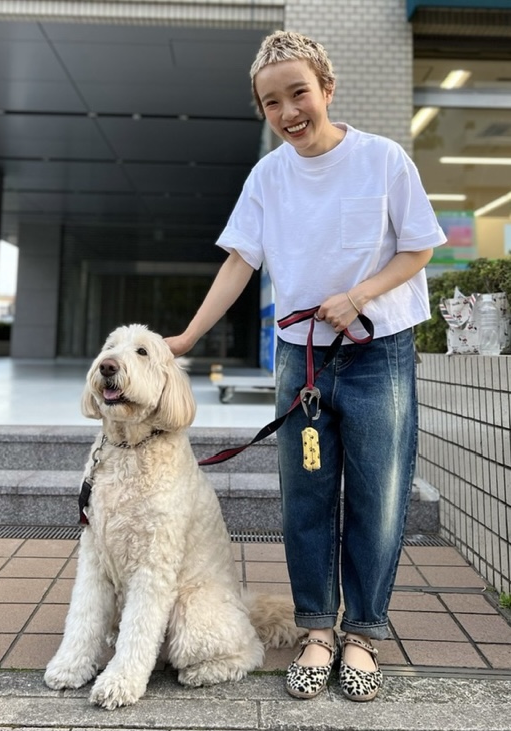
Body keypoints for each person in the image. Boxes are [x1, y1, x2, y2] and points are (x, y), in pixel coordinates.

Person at [165, 29, 447, 702]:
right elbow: (240, 260)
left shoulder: (383, 159)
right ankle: (318, 630)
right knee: (306, 499)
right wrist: (188, 337)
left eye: (299, 93)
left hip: (380, 352)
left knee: (379, 498)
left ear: (327, 88)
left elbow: (419, 249)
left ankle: (363, 635)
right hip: (303, 361)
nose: (288, 111)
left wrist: (358, 295)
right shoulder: (269, 176)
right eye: (272, 102)